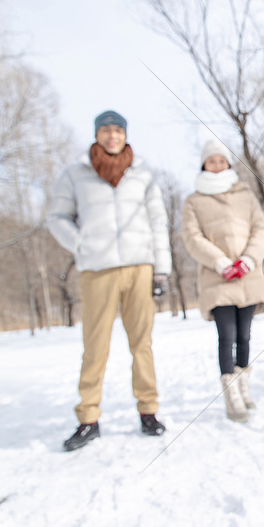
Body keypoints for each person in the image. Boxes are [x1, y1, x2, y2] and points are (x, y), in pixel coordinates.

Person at [47, 110, 172, 452]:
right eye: (106, 130)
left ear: (125, 135)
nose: (112, 136)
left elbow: (158, 221)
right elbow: (56, 218)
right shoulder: (76, 174)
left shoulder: (142, 174)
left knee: (141, 344)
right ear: (97, 135)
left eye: (118, 130)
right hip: (97, 269)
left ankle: (148, 411)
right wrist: (81, 243)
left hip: (139, 266)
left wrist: (161, 269)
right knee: (95, 345)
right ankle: (88, 418)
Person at [180, 139, 264, 423]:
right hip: (217, 277)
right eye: (212, 160)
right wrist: (220, 262)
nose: (218, 164)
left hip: (247, 274)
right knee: (227, 336)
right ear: (204, 164)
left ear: (228, 163)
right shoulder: (194, 200)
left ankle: (244, 387)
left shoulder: (244, 193)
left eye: (222, 160)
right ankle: (231, 394)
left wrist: (248, 258)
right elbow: (192, 236)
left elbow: (261, 227)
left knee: (245, 336)